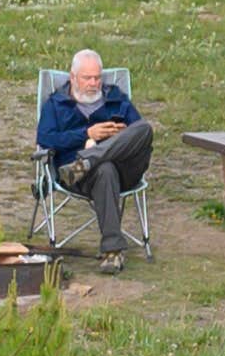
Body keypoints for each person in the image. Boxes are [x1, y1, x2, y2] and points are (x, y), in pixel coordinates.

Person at [36, 51, 152, 250]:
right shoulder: (56, 105)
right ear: (73, 77)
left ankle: (90, 158)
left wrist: (120, 136)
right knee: (105, 169)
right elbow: (45, 139)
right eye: (87, 78)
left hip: (123, 169)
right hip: (78, 176)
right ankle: (112, 250)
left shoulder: (118, 100)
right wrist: (86, 134)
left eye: (97, 78)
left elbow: (139, 135)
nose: (93, 83)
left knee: (144, 128)